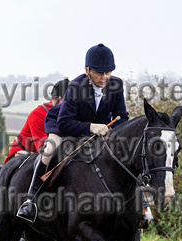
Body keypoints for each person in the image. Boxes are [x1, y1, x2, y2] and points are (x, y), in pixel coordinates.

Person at [17, 43, 129, 222]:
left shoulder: (116, 84)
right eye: (100, 73)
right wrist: (92, 127)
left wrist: (109, 130)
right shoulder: (76, 86)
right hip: (64, 124)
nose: (104, 77)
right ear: (87, 70)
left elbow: (122, 117)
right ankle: (31, 201)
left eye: (108, 72)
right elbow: (64, 123)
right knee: (49, 150)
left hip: (97, 129)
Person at [3, 78, 69, 164]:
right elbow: (42, 147)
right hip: (24, 153)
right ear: (55, 98)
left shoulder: (68, 113)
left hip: (40, 153)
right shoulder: (38, 114)